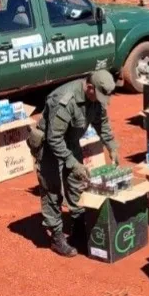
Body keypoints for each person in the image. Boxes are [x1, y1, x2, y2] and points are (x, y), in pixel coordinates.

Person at [28, 71, 119, 257]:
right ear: (90, 87)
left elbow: (102, 122)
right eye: (98, 95)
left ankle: (78, 229)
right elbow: (54, 139)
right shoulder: (65, 100)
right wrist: (72, 162)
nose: (100, 101)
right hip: (49, 145)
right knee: (52, 190)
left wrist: (111, 146)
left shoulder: (96, 98)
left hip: (70, 141)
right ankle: (56, 237)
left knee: (76, 183)